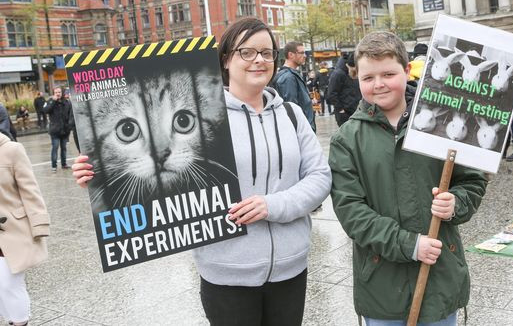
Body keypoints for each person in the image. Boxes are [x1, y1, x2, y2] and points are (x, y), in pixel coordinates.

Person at [72, 17, 331, 326]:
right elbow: (160, 188)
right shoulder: (201, 113)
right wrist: (98, 175)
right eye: (246, 52)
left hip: (291, 268)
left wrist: (270, 205)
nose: (258, 60)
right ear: (226, 59)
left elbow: (319, 177)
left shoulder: (292, 115)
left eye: (266, 52)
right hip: (226, 273)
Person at [329, 31, 487, 325]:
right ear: (357, 79)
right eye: (368, 78)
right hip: (381, 284)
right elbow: (351, 211)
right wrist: (409, 245)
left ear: (406, 71)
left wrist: (456, 203)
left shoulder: (444, 124)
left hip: (440, 278)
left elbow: (472, 181)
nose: (379, 84)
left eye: (388, 74)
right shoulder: (346, 139)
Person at [0, 129, 50, 326]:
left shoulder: (12, 150)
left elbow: (30, 191)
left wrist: (39, 225)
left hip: (11, 230)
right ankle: (10, 319)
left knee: (9, 284)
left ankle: (20, 322)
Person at [273, 41, 316, 131]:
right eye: (301, 53)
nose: (305, 56)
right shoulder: (288, 78)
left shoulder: (290, 75)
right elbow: (292, 108)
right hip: (301, 130)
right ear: (291, 55)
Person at [43, 87, 73, 172]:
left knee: (64, 148)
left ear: (62, 93)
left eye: (59, 92)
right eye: (56, 92)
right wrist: (53, 101)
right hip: (55, 131)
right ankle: (54, 166)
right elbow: (45, 110)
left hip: (65, 130)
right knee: (55, 148)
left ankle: (64, 164)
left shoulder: (66, 102)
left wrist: (69, 126)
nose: (58, 94)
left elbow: (70, 114)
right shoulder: (50, 101)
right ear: (53, 93)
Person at [328, 53, 361, 127]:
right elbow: (332, 93)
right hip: (345, 113)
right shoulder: (338, 74)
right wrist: (341, 110)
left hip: (355, 111)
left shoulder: (351, 72)